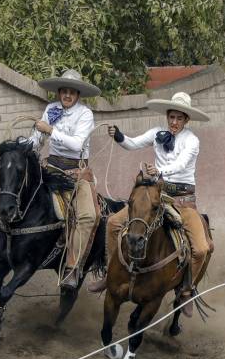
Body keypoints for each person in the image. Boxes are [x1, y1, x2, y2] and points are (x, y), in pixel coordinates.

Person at [88, 92, 212, 314]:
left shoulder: (192, 140)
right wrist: (118, 136)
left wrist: (160, 170)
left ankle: (186, 288)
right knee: (114, 223)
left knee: (201, 249)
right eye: (171, 117)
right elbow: (133, 144)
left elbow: (181, 165)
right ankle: (110, 274)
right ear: (167, 116)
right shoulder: (157, 133)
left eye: (179, 118)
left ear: (186, 120)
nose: (174, 122)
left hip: (183, 201)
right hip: (156, 197)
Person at [29, 69, 100, 290]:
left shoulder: (85, 114)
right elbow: (38, 137)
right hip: (50, 167)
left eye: (72, 92)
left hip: (75, 173)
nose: (67, 95)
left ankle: (71, 267)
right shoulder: (51, 108)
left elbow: (77, 144)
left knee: (88, 216)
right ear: (59, 92)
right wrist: (27, 145)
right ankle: (8, 245)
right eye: (64, 91)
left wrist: (50, 130)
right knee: (21, 194)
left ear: (78, 95)